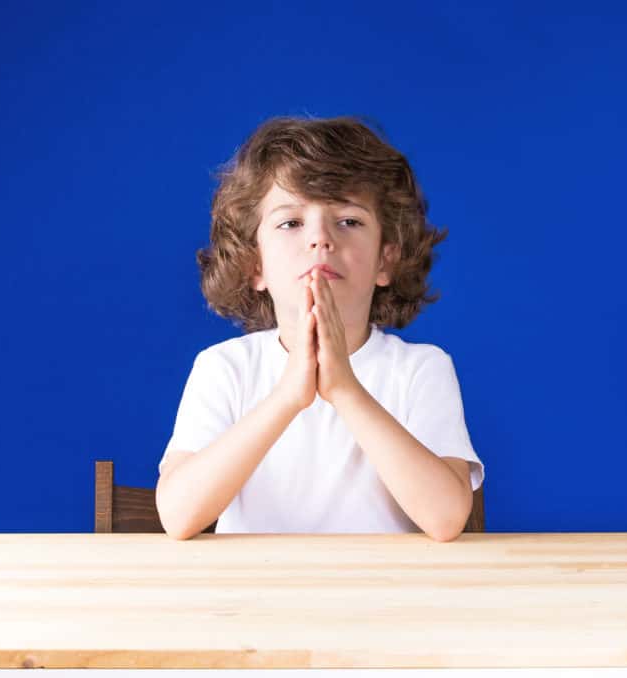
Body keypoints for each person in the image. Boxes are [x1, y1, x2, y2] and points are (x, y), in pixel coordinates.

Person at [155, 115, 485, 541]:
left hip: (390, 602)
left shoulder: (421, 368)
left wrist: (345, 389)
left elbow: (446, 518)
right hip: (254, 603)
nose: (320, 239)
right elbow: (179, 516)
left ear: (385, 260)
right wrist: (289, 396)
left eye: (348, 220)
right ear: (255, 264)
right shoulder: (224, 368)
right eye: (291, 222)